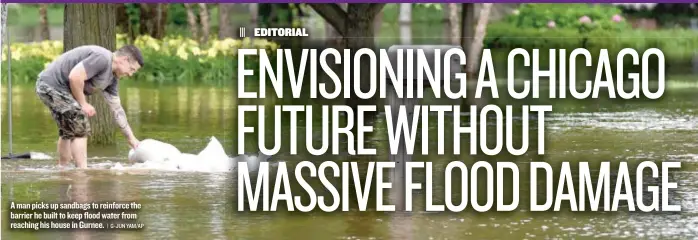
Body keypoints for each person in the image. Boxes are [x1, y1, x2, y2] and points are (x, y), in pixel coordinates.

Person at [35, 45, 143, 169]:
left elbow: (117, 110)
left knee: (68, 130)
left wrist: (131, 138)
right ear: (124, 60)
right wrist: (83, 103)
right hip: (50, 85)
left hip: (56, 88)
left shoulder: (112, 79)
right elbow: (75, 77)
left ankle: (62, 169)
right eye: (132, 69)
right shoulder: (102, 58)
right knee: (80, 123)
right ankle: (82, 171)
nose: (130, 74)